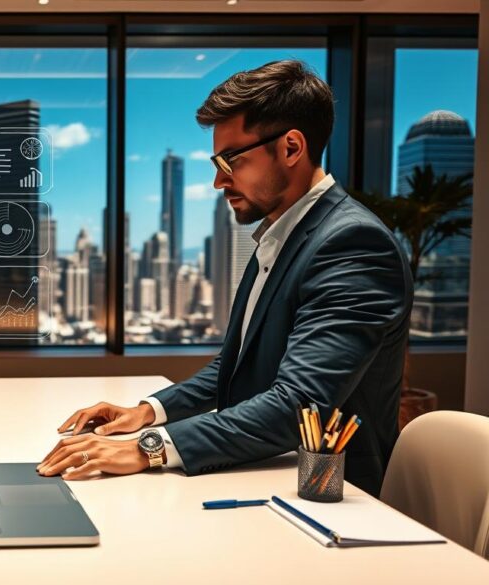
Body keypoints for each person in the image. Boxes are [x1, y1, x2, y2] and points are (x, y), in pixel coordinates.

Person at [37, 60, 412, 496]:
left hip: (328, 499)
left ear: (291, 148)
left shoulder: (353, 242)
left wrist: (149, 448)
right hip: (268, 477)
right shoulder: (282, 234)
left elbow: (299, 404)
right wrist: (147, 413)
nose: (218, 181)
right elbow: (236, 369)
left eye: (230, 160)